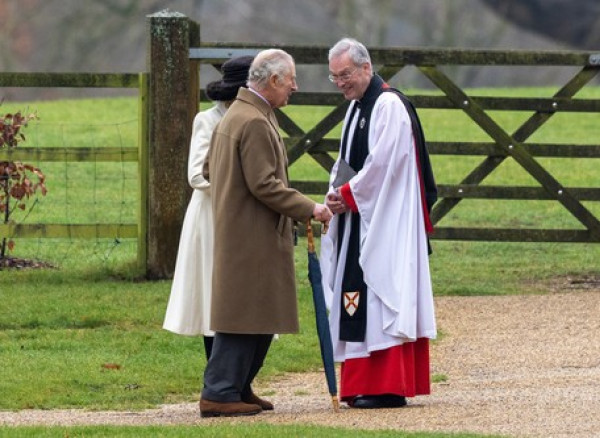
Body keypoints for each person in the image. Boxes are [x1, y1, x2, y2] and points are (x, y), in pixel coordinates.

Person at [199, 49, 333, 417]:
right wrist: (312, 208)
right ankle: (219, 393)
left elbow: (211, 169)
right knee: (244, 315)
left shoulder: (237, 115)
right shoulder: (254, 121)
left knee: (254, 314)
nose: (295, 86)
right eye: (291, 79)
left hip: (240, 229)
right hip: (252, 234)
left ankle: (238, 388)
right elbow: (265, 185)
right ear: (273, 81)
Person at [320, 38, 438, 409]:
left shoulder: (388, 105)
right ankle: (360, 384)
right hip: (360, 214)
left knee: (381, 293)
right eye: (335, 77)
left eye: (346, 74)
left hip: (386, 219)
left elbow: (385, 164)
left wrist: (349, 194)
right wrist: (335, 193)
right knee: (358, 297)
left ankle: (387, 385)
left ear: (366, 68)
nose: (341, 82)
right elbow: (347, 162)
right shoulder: (355, 108)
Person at [163, 56, 254, 360]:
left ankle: (240, 384)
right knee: (213, 300)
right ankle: (217, 382)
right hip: (211, 220)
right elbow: (197, 175)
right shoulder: (208, 120)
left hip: (241, 221)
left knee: (242, 300)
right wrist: (244, 188)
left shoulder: (255, 118)